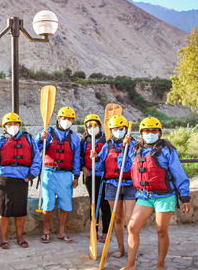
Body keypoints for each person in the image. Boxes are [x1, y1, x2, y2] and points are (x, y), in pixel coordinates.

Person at [120, 117, 191, 270]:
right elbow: (122, 166)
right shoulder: (135, 149)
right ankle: (130, 265)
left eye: (154, 130)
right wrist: (123, 147)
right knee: (132, 227)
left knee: (161, 230)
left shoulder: (167, 150)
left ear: (159, 132)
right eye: (147, 130)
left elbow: (179, 174)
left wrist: (185, 197)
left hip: (164, 195)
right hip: (144, 196)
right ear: (141, 132)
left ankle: (160, 265)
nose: (150, 133)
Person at [0, 113, 41, 249]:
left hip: (22, 178)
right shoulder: (0, 139)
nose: (13, 126)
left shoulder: (28, 139)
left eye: (15, 124)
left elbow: (36, 158)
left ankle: (19, 236)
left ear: (19, 125)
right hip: (4, 178)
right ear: (5, 126)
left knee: (20, 211)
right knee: (3, 210)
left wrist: (32, 174)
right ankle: (3, 238)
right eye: (9, 124)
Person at [93, 115, 137, 258]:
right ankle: (120, 248)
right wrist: (96, 157)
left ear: (126, 129)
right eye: (115, 129)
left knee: (130, 219)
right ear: (111, 130)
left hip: (130, 184)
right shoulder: (108, 145)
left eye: (121, 128)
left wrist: (126, 146)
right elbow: (100, 167)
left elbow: (132, 162)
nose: (119, 131)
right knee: (117, 218)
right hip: (112, 185)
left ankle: (132, 249)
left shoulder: (135, 144)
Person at [36, 106, 80, 243]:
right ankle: (46, 230)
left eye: (70, 119)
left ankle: (61, 232)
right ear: (58, 119)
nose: (66, 121)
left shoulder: (74, 137)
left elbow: (76, 158)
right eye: (64, 118)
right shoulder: (47, 132)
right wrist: (40, 139)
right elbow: (36, 148)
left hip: (66, 175)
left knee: (65, 204)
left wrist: (76, 176)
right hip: (49, 173)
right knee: (48, 203)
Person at [80, 114, 110, 243]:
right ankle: (94, 230)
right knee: (93, 204)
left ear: (99, 126)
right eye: (89, 125)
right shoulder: (84, 140)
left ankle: (105, 232)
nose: (92, 127)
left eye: (94, 125)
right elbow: (79, 157)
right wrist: (83, 168)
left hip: (103, 176)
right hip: (90, 176)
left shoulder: (107, 139)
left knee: (104, 204)